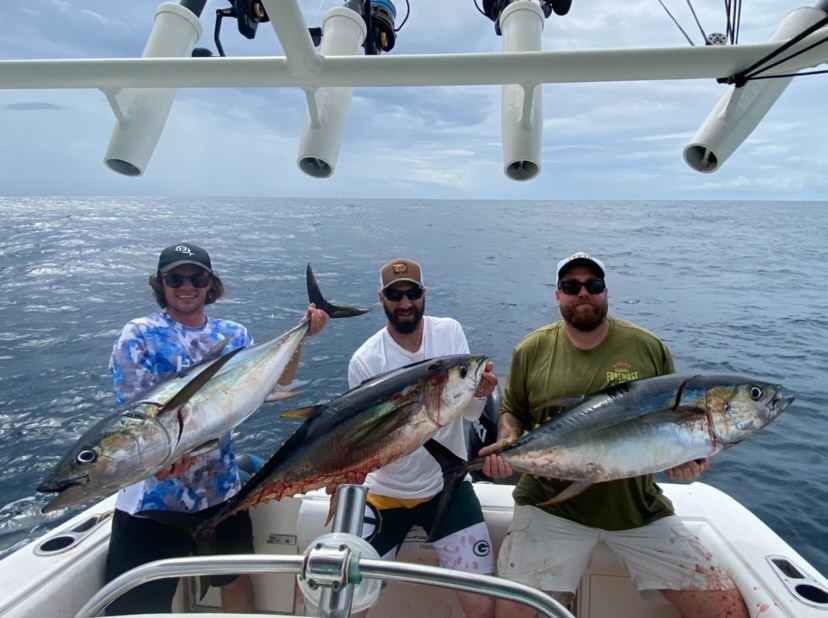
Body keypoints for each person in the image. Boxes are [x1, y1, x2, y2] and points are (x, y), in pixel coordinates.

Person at [481, 251, 749, 618]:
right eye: (571, 286)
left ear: (606, 292)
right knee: (512, 614)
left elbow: (673, 432)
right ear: (557, 295)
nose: (583, 293)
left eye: (593, 285)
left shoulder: (647, 347)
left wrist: (690, 460)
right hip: (549, 507)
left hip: (635, 508)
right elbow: (512, 411)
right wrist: (508, 441)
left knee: (727, 610)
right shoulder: (532, 349)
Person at [103, 242, 329, 615]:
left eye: (197, 277)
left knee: (234, 580)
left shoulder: (234, 335)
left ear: (210, 283)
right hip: (151, 499)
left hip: (220, 490)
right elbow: (136, 420)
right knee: (138, 602)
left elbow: (277, 383)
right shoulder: (139, 334)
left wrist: (302, 334)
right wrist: (162, 462)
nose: (186, 286)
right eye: (175, 278)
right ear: (161, 283)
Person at [347, 258, 498, 618]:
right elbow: (365, 441)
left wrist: (479, 394)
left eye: (412, 293)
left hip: (448, 487)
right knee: (349, 602)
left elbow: (471, 414)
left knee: (483, 604)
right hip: (384, 495)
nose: (405, 303)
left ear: (424, 293)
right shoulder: (365, 360)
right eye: (394, 295)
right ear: (381, 298)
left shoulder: (449, 333)